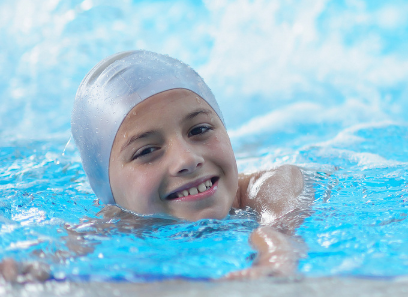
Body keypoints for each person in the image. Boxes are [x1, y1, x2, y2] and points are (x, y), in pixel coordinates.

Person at [50, 50, 307, 279]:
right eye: (147, 150)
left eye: (199, 129)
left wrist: (274, 257)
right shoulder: (110, 225)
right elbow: (55, 259)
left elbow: (278, 228)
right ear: (106, 187)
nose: (187, 159)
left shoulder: (263, 187)